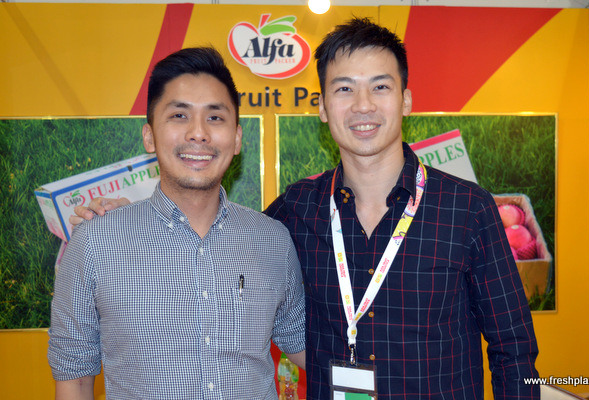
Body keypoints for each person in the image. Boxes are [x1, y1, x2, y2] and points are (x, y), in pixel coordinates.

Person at [73, 18, 539, 399]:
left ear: (406, 100)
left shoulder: (467, 209)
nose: (363, 106)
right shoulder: (295, 212)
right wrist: (129, 218)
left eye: (380, 87)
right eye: (344, 89)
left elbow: (513, 350)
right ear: (322, 107)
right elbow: (217, 229)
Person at [49, 47, 305, 399]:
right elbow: (74, 377)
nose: (198, 133)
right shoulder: (95, 241)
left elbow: (308, 348)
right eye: (179, 115)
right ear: (149, 136)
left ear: (237, 139)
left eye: (215, 117)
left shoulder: (273, 240)